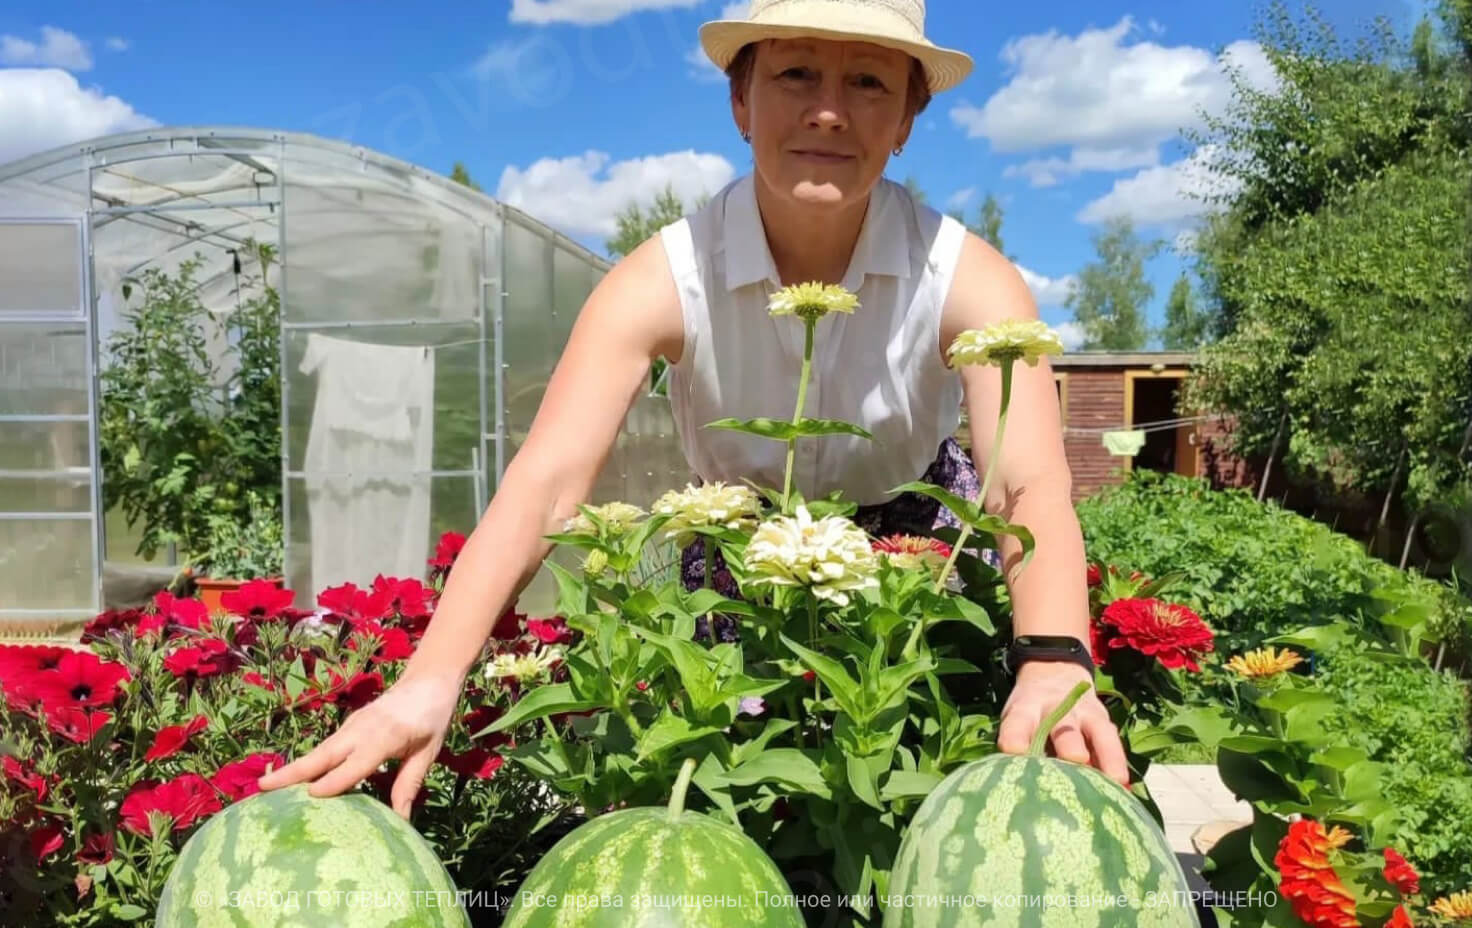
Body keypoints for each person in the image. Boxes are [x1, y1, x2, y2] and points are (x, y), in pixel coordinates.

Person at [259, 0, 1129, 819]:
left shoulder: (970, 275)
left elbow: (1024, 483)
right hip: (739, 570)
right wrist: (431, 678)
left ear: (905, 121)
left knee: (920, 800)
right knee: (733, 812)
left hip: (917, 571)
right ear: (741, 100)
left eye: (868, 81)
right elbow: (551, 477)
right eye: (795, 75)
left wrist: (1052, 657)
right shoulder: (663, 276)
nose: (829, 110)